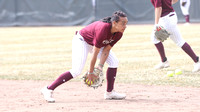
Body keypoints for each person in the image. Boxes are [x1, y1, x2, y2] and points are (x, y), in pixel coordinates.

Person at [41, 11, 128, 103]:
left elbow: (106, 50)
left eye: (126, 23)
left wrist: (99, 67)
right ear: (114, 23)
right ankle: (48, 89)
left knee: (114, 62)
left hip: (95, 44)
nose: (125, 26)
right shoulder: (103, 29)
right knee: (76, 70)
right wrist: (90, 72)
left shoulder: (119, 33)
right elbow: (95, 52)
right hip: (82, 41)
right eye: (123, 23)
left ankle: (110, 92)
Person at [150, 0, 200, 72]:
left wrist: (156, 24)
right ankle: (197, 61)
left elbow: (158, 8)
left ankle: (164, 61)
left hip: (166, 19)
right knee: (180, 42)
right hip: (171, 16)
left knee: (154, 38)